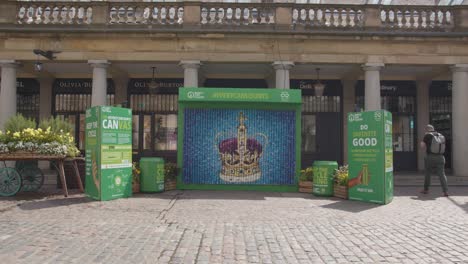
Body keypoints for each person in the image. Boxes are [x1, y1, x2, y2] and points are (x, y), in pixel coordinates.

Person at [420, 124, 448, 197]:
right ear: (433, 129)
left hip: (430, 157)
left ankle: (426, 189)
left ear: (427, 130)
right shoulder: (440, 135)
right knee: (442, 174)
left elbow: (422, 146)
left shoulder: (427, 135)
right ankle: (445, 191)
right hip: (441, 157)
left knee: (428, 173)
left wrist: (423, 141)